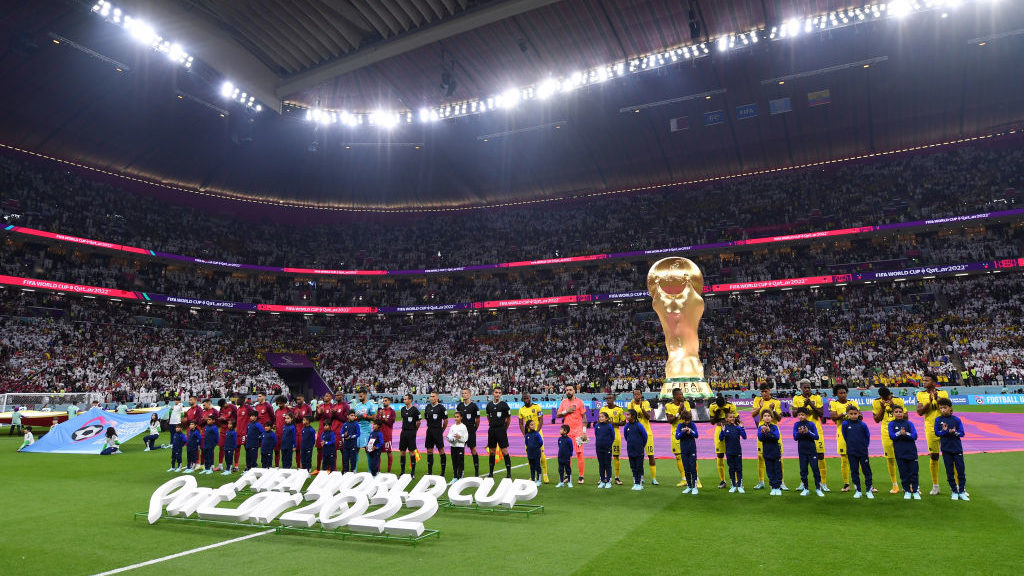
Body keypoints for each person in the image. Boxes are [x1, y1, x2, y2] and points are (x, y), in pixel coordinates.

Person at [916, 372, 950, 496]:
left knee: (950, 455)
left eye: (927, 380)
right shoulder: (920, 394)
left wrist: (938, 399)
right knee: (934, 456)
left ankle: (956, 486)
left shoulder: (943, 393)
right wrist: (929, 402)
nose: (924, 382)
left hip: (945, 427)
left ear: (934, 382)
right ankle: (935, 486)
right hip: (930, 428)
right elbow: (919, 412)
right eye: (923, 380)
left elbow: (949, 409)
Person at [791, 380, 828, 491]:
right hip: (802, 432)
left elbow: (822, 414)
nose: (807, 389)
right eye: (805, 387)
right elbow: (794, 413)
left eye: (809, 387)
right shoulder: (796, 399)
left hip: (816, 431)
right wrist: (804, 405)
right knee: (804, 458)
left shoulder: (817, 398)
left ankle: (823, 482)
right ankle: (803, 482)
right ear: (801, 388)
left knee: (820, 456)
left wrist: (811, 404)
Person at [872, 386, 906, 494]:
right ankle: (895, 485)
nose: (886, 400)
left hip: (900, 431)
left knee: (903, 458)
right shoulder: (876, 402)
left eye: (888, 397)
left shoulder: (898, 400)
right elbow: (876, 419)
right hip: (886, 433)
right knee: (890, 459)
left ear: (890, 394)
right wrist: (882, 408)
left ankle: (908, 484)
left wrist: (893, 407)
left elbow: (906, 417)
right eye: (884, 398)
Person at [751, 384, 785, 491]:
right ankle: (761, 481)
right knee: (761, 457)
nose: (764, 394)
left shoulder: (776, 401)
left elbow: (779, 418)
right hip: (762, 430)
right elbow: (753, 414)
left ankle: (781, 482)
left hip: (774, 429)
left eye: (765, 391)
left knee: (779, 457)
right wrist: (760, 407)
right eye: (762, 392)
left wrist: (773, 409)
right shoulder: (757, 400)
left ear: (769, 390)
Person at [934, 397, 968, 501]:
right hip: (946, 449)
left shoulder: (956, 419)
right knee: (949, 472)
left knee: (961, 471)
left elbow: (962, 433)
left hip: (957, 449)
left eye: (945, 408)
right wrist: (944, 432)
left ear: (950, 408)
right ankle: (954, 491)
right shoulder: (938, 419)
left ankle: (961, 491)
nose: (943, 410)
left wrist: (955, 432)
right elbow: (937, 433)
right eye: (941, 408)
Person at [829, 384, 860, 492]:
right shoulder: (833, 403)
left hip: (855, 432)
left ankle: (859, 483)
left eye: (844, 392)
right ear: (836, 394)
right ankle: (846, 483)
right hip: (842, 433)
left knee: (857, 458)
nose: (843, 395)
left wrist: (854, 414)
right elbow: (833, 418)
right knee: (844, 459)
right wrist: (844, 413)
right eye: (840, 393)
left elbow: (860, 416)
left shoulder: (853, 403)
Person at [840, 405, 873, 499]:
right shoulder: (845, 424)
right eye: (851, 414)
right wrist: (851, 446)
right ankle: (858, 490)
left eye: (855, 414)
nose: (853, 415)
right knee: (854, 471)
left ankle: (868, 490)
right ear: (847, 414)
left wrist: (864, 447)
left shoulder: (863, 424)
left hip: (863, 451)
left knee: (866, 471)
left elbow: (867, 436)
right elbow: (845, 436)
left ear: (858, 414)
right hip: (851, 452)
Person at [626, 389, 657, 485]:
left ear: (641, 395)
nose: (637, 395)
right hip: (636, 434)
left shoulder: (646, 403)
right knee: (639, 457)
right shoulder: (630, 404)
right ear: (633, 395)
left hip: (647, 433)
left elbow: (648, 417)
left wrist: (641, 408)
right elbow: (629, 418)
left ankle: (654, 478)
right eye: (635, 394)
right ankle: (641, 476)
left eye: (638, 394)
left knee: (651, 455)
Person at [889, 405, 920, 500]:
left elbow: (915, 436)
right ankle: (906, 491)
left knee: (914, 473)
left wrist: (905, 433)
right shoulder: (891, 424)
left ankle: (915, 491)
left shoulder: (909, 423)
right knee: (903, 473)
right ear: (893, 413)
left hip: (911, 451)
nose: (898, 413)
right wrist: (899, 433)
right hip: (899, 452)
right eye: (896, 412)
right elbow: (892, 436)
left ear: (903, 413)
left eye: (900, 412)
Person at [558, 385, 587, 483]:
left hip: (578, 432)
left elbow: (584, 418)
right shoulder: (564, 402)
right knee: (567, 455)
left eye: (570, 390)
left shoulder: (580, 402)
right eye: (567, 390)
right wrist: (567, 411)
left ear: (574, 391)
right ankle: (568, 475)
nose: (568, 392)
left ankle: (581, 476)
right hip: (567, 433)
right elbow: (558, 414)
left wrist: (584, 432)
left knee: (579, 454)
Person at [664, 388, 693, 488]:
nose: (682, 396)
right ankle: (684, 479)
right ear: (675, 396)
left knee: (690, 456)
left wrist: (683, 409)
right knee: (678, 456)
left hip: (686, 432)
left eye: (682, 394)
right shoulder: (669, 406)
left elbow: (689, 417)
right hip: (675, 433)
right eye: (680, 394)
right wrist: (678, 412)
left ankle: (695, 479)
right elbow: (670, 420)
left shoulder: (686, 404)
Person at [793, 408, 824, 497]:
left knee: (815, 469)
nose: (801, 416)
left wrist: (808, 432)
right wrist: (799, 432)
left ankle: (818, 488)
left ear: (807, 415)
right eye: (799, 415)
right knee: (803, 470)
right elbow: (795, 437)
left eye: (803, 414)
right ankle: (806, 489)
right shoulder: (796, 424)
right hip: (802, 451)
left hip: (812, 451)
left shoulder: (811, 424)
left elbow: (817, 437)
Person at [518, 392, 549, 483]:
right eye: (524, 398)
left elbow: (541, 420)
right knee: (530, 456)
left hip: (538, 434)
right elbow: (520, 423)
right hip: (528, 437)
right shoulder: (521, 410)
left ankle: (545, 475)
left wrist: (537, 432)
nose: (526, 400)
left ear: (530, 398)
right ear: (523, 399)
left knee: (541, 455)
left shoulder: (537, 407)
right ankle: (533, 476)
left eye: (527, 398)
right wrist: (525, 434)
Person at [709, 394, 738, 489]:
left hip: (730, 429)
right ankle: (723, 480)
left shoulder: (731, 406)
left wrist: (728, 413)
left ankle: (737, 480)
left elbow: (737, 420)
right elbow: (712, 422)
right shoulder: (713, 406)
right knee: (720, 455)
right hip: (719, 429)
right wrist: (717, 414)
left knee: (733, 455)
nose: (721, 408)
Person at [599, 394, 625, 485]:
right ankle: (604, 477)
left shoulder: (619, 409)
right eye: (607, 398)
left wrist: (614, 423)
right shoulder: (603, 409)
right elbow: (599, 421)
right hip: (605, 436)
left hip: (616, 436)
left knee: (616, 456)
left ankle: (617, 477)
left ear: (614, 399)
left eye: (610, 398)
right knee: (605, 457)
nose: (608, 399)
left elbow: (624, 422)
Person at [486, 387, 512, 478]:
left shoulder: (504, 405)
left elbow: (508, 418)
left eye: (499, 393)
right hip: (492, 430)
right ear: (493, 393)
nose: (497, 394)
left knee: (504, 451)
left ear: (501, 394)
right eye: (496, 392)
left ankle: (508, 473)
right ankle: (491, 473)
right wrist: (492, 424)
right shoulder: (489, 405)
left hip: (501, 430)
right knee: (492, 451)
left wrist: (505, 428)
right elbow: (488, 417)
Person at [456, 388, 481, 477]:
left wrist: (474, 429)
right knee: (460, 451)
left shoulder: (474, 406)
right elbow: (457, 419)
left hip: (470, 431)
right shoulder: (459, 406)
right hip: (461, 432)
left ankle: (476, 471)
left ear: (470, 394)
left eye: (466, 393)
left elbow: (478, 420)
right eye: (463, 393)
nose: (464, 394)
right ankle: (461, 471)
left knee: (473, 450)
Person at [719, 413, 746, 493]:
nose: (732, 418)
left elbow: (744, 437)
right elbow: (721, 438)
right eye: (730, 417)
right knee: (731, 469)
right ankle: (733, 485)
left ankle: (740, 485)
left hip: (737, 451)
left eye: (733, 417)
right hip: (729, 452)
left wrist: (742, 427)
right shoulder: (725, 428)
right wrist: (723, 431)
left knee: (739, 468)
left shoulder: (737, 428)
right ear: (726, 419)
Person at [756, 412, 782, 496]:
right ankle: (772, 487)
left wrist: (769, 432)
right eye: (765, 416)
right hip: (766, 452)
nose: (767, 418)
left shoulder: (774, 427)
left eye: (769, 416)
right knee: (770, 470)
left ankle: (777, 487)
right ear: (762, 418)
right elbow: (760, 438)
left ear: (771, 418)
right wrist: (764, 432)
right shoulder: (760, 427)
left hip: (775, 452)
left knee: (777, 470)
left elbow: (776, 437)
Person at [675, 410, 700, 495]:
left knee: (693, 468)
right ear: (682, 419)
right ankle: (689, 486)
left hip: (692, 449)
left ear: (690, 419)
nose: (686, 422)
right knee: (686, 468)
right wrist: (683, 432)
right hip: (684, 450)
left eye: (688, 420)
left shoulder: (692, 424)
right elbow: (677, 437)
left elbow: (696, 435)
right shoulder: (680, 425)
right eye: (685, 420)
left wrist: (690, 431)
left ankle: (695, 487)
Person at [424, 392, 448, 477]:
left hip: (438, 431)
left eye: (433, 396)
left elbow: (445, 421)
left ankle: (443, 472)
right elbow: (426, 418)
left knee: (441, 450)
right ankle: (430, 471)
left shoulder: (441, 408)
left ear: (437, 397)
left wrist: (441, 430)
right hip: (429, 431)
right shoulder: (427, 407)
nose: (431, 398)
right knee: (429, 450)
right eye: (430, 396)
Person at [623, 409, 648, 491]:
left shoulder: (639, 425)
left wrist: (641, 445)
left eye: (628, 415)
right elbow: (626, 437)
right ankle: (635, 483)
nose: (626, 416)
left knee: (639, 466)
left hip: (639, 449)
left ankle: (640, 483)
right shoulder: (626, 426)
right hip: (630, 449)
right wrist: (631, 444)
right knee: (633, 467)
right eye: (626, 415)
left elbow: (645, 437)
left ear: (633, 416)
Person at [398, 394, 420, 476]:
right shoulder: (403, 409)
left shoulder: (415, 410)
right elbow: (403, 420)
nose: (404, 400)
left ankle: (413, 472)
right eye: (404, 399)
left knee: (411, 452)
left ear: (410, 400)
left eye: (406, 399)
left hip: (411, 432)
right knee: (402, 452)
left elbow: (418, 422)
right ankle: (402, 471)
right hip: (403, 432)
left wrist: (414, 430)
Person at [314, 392, 335, 473]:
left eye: (327, 396)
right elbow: (316, 418)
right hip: (321, 430)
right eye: (325, 395)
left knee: (328, 449)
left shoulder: (332, 407)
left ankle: (328, 468)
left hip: (329, 430)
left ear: (330, 398)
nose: (325, 397)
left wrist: (324, 413)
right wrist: (318, 412)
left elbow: (331, 418)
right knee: (319, 449)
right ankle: (318, 469)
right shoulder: (321, 406)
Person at [215, 398, 237, 471]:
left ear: (226, 402)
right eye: (222, 406)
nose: (224, 407)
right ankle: (220, 465)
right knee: (221, 447)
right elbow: (218, 418)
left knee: (230, 448)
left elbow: (237, 418)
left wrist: (227, 420)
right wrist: (221, 419)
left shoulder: (232, 407)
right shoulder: (221, 409)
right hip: (223, 430)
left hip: (230, 430)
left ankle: (232, 465)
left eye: (224, 405)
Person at [594, 411, 615, 489]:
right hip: (599, 448)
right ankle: (602, 481)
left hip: (607, 448)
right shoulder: (597, 426)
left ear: (606, 418)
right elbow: (596, 435)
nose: (601, 418)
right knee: (601, 465)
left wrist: (609, 445)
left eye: (602, 417)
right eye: (600, 417)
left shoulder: (609, 426)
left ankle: (608, 481)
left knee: (608, 465)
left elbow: (613, 436)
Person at [375, 396, 396, 473]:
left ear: (389, 402)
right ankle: (378, 470)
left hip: (387, 435)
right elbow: (377, 422)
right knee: (378, 452)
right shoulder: (380, 411)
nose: (384, 402)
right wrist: (379, 417)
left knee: (389, 452)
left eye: (386, 401)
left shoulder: (392, 412)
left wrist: (383, 416)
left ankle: (389, 471)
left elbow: (390, 423)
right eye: (383, 401)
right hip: (379, 435)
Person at [446, 411, 468, 483]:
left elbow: (465, 438)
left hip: (460, 446)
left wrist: (459, 437)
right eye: (455, 417)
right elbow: (449, 436)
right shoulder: (452, 426)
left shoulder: (463, 427)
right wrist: (449, 439)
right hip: (453, 447)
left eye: (457, 417)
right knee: (454, 461)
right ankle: (455, 476)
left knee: (460, 461)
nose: (456, 418)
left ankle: (460, 476)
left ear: (461, 417)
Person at [291, 395, 312, 469]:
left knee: (305, 450)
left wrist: (300, 417)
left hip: (305, 431)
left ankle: (307, 468)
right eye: (297, 399)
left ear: (303, 399)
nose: (298, 400)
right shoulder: (295, 408)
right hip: (297, 431)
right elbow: (293, 419)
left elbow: (310, 418)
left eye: (299, 399)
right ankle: (298, 467)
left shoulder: (307, 407)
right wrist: (296, 417)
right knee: (297, 450)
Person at [233, 397, 252, 472]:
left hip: (245, 433)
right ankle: (236, 466)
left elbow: (254, 416)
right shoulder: (238, 409)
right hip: (238, 432)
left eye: (239, 399)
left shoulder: (248, 408)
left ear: (243, 400)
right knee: (237, 449)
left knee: (247, 449)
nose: (237, 401)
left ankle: (248, 466)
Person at [524, 420, 544, 487]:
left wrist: (536, 447)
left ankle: (539, 480)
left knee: (537, 466)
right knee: (532, 467)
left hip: (536, 453)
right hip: (530, 453)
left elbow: (541, 442)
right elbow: (526, 443)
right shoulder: (527, 435)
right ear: (528, 427)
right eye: (531, 424)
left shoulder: (537, 434)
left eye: (534, 424)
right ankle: (533, 480)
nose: (533, 425)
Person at [273, 396, 290, 467]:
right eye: (278, 402)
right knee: (276, 451)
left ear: (284, 402)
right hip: (277, 435)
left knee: (285, 452)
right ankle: (277, 466)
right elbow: (276, 421)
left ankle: (285, 466)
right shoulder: (276, 411)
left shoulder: (288, 411)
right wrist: (274, 425)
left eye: (281, 402)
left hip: (285, 435)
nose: (279, 403)